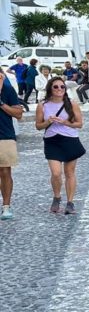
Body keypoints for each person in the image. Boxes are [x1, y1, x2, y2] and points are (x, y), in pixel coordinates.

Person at [37, 76, 86, 215]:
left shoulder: (72, 103)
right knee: (56, 173)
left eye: (62, 86)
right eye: (56, 86)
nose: (59, 89)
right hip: (52, 141)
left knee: (70, 173)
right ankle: (57, 197)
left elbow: (79, 124)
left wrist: (65, 122)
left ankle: (70, 203)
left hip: (70, 139)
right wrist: (48, 122)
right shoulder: (43, 105)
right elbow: (38, 126)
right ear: (50, 89)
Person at [0, 72, 25, 220]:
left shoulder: (8, 90)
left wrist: (1, 103)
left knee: (5, 171)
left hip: (4, 135)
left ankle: (6, 206)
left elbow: (18, 113)